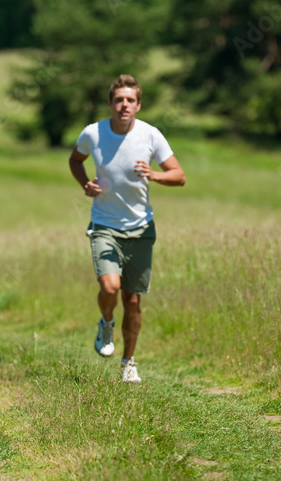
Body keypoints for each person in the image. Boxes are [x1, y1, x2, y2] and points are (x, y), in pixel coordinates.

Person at [68, 74, 185, 384]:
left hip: (141, 228)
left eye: (130, 100)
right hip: (104, 225)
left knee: (133, 301)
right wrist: (86, 184)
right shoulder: (93, 133)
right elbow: (75, 160)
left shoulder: (151, 135)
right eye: (118, 99)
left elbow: (179, 175)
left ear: (138, 105)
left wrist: (154, 175)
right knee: (109, 287)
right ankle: (106, 323)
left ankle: (128, 362)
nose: (124, 105)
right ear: (110, 104)